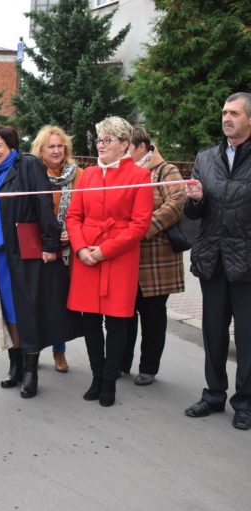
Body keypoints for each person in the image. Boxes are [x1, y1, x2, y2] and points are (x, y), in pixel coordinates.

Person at [0, 125, 73, 399]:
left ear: (11, 147)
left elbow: (43, 205)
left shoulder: (27, 165)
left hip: (25, 254)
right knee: (8, 311)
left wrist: (51, 244)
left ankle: (31, 372)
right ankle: (15, 366)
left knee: (27, 309)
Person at [65, 116, 153, 407]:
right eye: (99, 139)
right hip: (86, 256)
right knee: (90, 320)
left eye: (107, 140)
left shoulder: (140, 177)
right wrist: (80, 249)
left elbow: (139, 225)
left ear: (125, 144)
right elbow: (74, 216)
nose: (101, 145)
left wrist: (105, 250)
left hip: (119, 257)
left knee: (117, 322)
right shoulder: (87, 175)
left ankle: (110, 381)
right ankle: (96, 374)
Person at [184, 92, 251, 430]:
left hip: (247, 261)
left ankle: (245, 402)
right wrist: (194, 199)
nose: (227, 118)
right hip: (213, 258)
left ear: (249, 120)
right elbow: (194, 212)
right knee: (213, 331)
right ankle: (213, 394)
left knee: (248, 336)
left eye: (235, 113)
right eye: (224, 112)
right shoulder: (206, 158)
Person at [121, 126, 185, 386]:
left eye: (128, 148)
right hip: (127, 257)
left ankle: (148, 367)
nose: (124, 153)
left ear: (141, 148)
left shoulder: (165, 170)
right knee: (124, 314)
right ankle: (122, 363)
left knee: (153, 316)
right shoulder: (125, 173)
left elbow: (178, 201)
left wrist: (144, 228)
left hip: (157, 260)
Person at [30, 125, 85, 373]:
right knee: (37, 300)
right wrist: (47, 237)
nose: (56, 150)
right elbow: (28, 212)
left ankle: (59, 351)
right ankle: (33, 350)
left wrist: (72, 233)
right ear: (40, 150)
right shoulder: (32, 174)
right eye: (50, 146)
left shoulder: (79, 175)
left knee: (61, 302)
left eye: (60, 146)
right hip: (40, 246)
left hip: (69, 250)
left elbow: (87, 210)